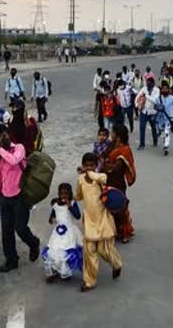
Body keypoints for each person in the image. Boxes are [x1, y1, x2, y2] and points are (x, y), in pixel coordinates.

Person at [0, 124, 41, 272]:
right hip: (5, 196)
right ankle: (11, 260)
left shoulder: (19, 148)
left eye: (4, 134)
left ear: (8, 134)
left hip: (20, 195)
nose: (2, 138)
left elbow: (13, 160)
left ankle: (33, 243)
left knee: (20, 228)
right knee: (6, 231)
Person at [75, 153, 122, 292]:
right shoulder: (80, 179)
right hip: (89, 220)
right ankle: (89, 281)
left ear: (96, 166)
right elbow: (78, 195)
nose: (89, 167)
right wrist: (69, 200)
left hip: (103, 219)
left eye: (92, 165)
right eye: (86, 165)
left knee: (104, 250)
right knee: (89, 252)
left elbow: (100, 177)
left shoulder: (101, 178)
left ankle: (117, 264)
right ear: (83, 165)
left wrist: (90, 173)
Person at [42, 183, 84, 283]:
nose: (64, 196)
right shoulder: (56, 205)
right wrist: (52, 220)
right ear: (59, 194)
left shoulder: (73, 203)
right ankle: (55, 271)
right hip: (58, 232)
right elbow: (51, 217)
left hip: (69, 232)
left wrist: (70, 206)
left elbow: (78, 216)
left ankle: (66, 271)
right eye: (62, 194)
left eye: (66, 194)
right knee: (55, 250)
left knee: (66, 251)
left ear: (70, 194)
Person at [104, 124, 136, 243]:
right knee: (109, 205)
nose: (111, 135)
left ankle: (124, 232)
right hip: (108, 180)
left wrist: (106, 166)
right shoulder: (111, 145)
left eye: (113, 133)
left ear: (118, 135)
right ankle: (114, 230)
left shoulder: (124, 150)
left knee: (120, 206)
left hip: (117, 182)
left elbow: (117, 168)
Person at [136, 76, 160, 150]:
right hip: (144, 111)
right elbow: (137, 97)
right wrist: (137, 105)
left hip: (153, 112)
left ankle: (155, 141)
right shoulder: (144, 89)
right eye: (147, 83)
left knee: (153, 127)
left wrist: (146, 96)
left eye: (149, 84)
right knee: (142, 127)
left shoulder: (157, 90)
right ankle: (141, 144)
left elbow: (155, 100)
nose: (147, 85)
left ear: (153, 83)